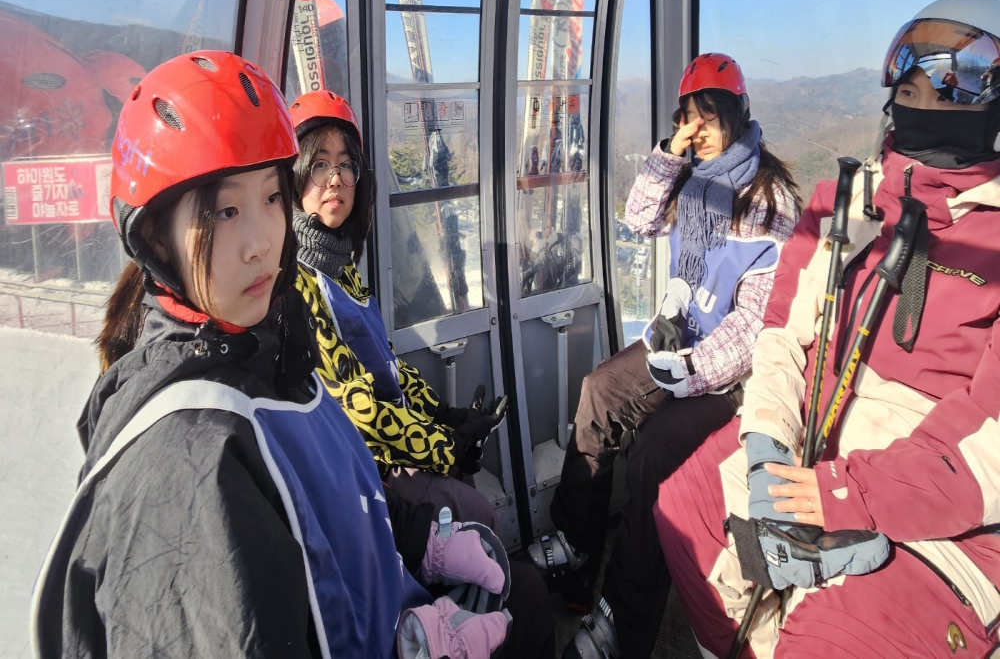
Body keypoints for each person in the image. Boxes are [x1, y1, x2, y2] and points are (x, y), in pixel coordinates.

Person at [32, 52, 511, 659]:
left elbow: (319, 477)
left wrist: (414, 535)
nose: (261, 243)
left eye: (270, 199)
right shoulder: (188, 470)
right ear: (155, 237)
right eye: (225, 210)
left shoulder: (269, 344)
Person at [654, 0, 1000, 659]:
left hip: (939, 496)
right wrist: (766, 449)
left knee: (831, 640)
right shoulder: (846, 206)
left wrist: (843, 495)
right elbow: (783, 336)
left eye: (954, 87)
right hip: (812, 426)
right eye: (913, 82)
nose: (926, 101)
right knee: (681, 512)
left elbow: (988, 448)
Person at [534, 53, 801, 658]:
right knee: (599, 392)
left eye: (710, 117)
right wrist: (669, 151)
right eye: (689, 116)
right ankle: (577, 545)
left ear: (738, 116)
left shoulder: (769, 203)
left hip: (728, 375)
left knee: (654, 455)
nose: (698, 129)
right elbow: (639, 217)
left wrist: (695, 371)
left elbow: (755, 324)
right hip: (677, 341)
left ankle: (622, 622)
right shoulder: (691, 176)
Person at [288, 89, 555, 659]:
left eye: (345, 165)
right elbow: (354, 404)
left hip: (387, 455)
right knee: (478, 512)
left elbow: (384, 367)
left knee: (475, 509)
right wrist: (442, 447)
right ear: (292, 178)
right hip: (364, 471)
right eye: (318, 164)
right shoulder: (300, 283)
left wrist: (444, 413)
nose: (334, 179)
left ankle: (477, 617)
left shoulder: (341, 268)